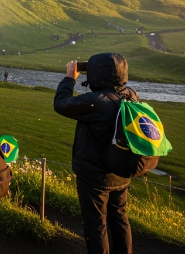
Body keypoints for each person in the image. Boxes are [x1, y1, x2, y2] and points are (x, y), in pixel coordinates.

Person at [54, 53, 136, 254]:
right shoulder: (131, 95)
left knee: (96, 223)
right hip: (121, 170)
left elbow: (61, 104)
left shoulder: (96, 101)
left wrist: (70, 78)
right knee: (119, 218)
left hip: (94, 176)